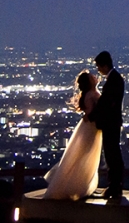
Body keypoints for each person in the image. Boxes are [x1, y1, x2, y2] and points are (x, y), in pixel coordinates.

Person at [43, 71, 101, 199]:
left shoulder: (90, 94)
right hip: (91, 128)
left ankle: (84, 186)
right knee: (86, 155)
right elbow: (90, 114)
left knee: (86, 155)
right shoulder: (91, 95)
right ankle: (81, 186)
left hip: (89, 128)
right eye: (92, 77)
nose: (95, 77)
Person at [90, 50, 126, 200]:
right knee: (112, 153)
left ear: (104, 66)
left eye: (99, 66)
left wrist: (92, 116)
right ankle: (115, 185)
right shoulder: (116, 79)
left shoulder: (113, 81)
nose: (98, 70)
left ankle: (114, 185)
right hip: (113, 122)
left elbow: (106, 103)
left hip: (110, 123)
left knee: (112, 154)